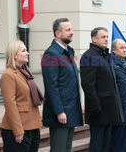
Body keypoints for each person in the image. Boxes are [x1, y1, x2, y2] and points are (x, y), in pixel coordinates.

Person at [41, 18, 83, 152]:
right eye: (68, 30)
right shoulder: (50, 54)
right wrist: (59, 111)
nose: (72, 32)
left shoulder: (68, 51)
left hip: (70, 109)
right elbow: (51, 86)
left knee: (67, 149)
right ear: (58, 33)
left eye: (71, 29)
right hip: (61, 112)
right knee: (59, 149)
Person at [80, 27, 124, 152]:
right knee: (97, 145)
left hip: (109, 109)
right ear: (94, 39)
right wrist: (96, 107)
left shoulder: (104, 54)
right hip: (99, 110)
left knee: (106, 146)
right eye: (103, 37)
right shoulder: (89, 56)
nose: (106, 39)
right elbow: (88, 85)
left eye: (107, 37)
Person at [0, 41, 43, 152]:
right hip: (18, 129)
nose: (27, 53)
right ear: (14, 55)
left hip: (32, 128)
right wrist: (18, 130)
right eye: (23, 51)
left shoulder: (25, 72)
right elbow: (10, 105)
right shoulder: (8, 75)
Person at [110, 39, 126, 152]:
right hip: (119, 111)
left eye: (125, 47)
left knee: (123, 143)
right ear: (113, 50)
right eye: (121, 48)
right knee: (117, 144)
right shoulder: (112, 64)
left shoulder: (122, 62)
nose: (125, 50)